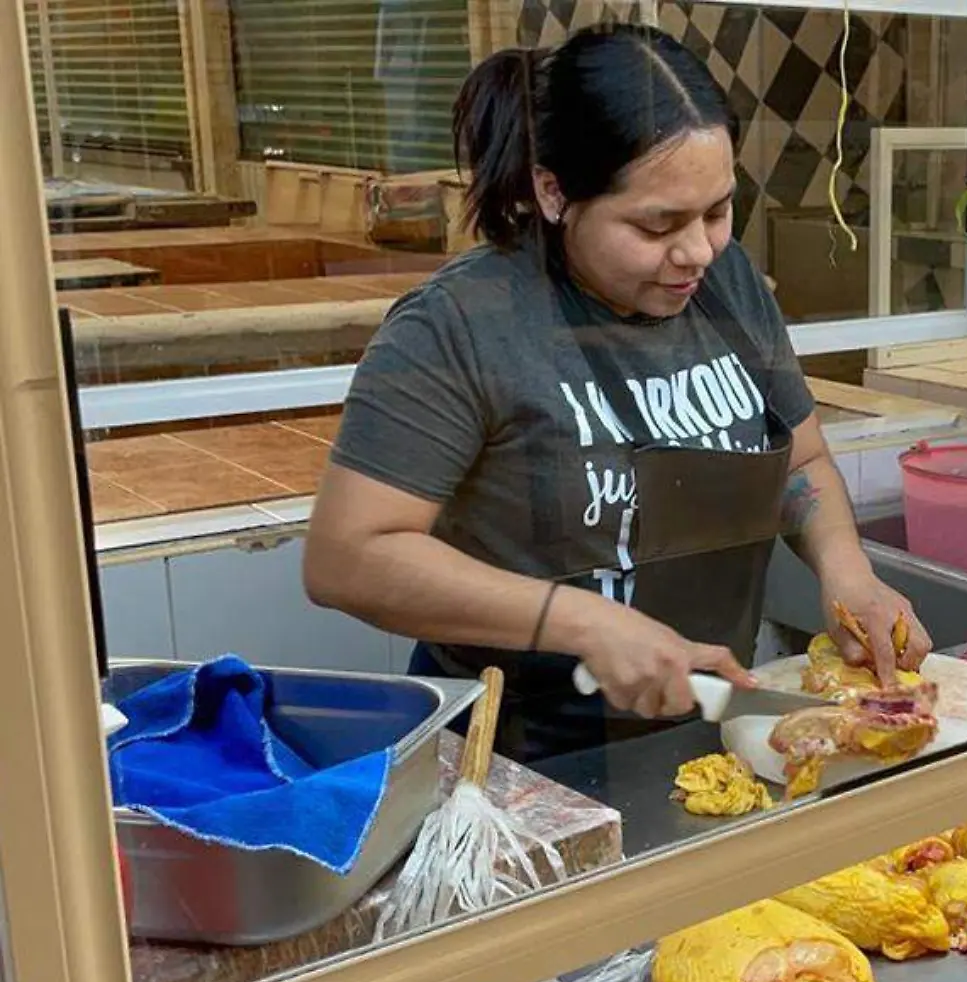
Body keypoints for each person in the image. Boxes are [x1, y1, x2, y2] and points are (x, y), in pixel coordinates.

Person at [305, 25, 931, 762]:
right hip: (518, 758)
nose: (696, 250)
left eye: (718, 212)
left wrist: (848, 577)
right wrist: (580, 621)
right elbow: (347, 557)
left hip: (704, 727)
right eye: (656, 224)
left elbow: (798, 464)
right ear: (553, 191)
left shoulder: (725, 288)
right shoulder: (461, 325)